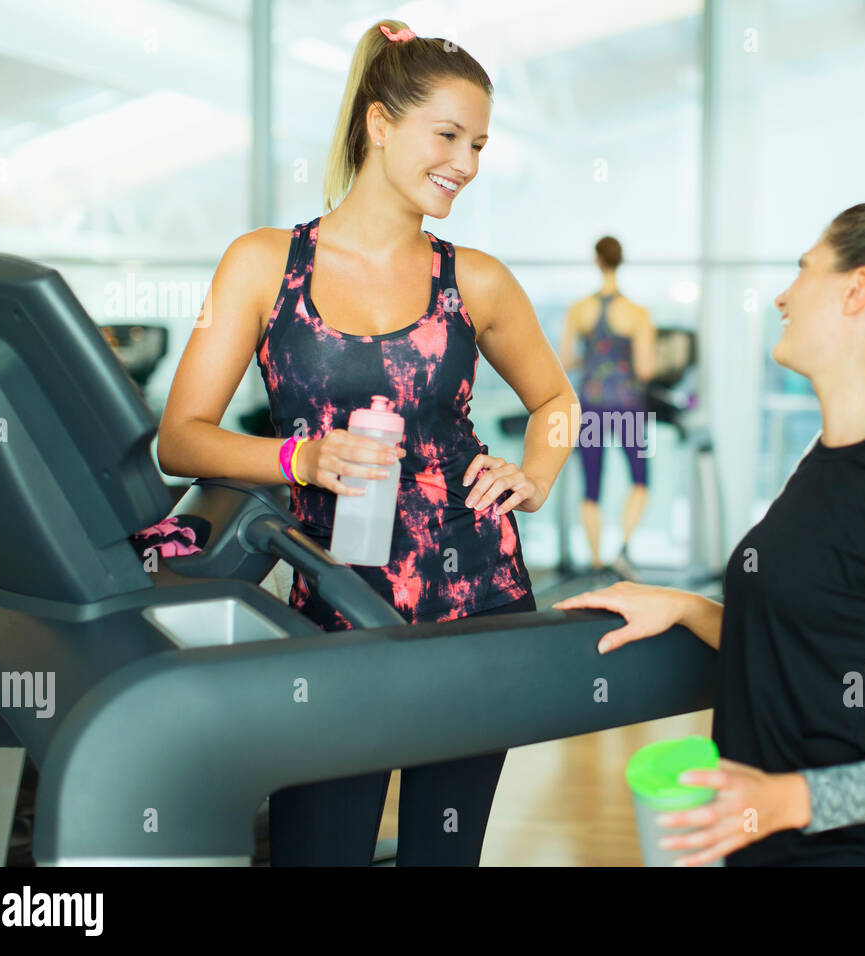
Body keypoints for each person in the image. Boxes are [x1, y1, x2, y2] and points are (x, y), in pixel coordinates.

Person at [155, 20, 577, 866]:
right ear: (380, 124)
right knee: (319, 848)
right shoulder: (265, 264)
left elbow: (558, 402)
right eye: (449, 135)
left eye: (482, 144)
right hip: (333, 606)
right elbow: (180, 439)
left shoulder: (478, 279)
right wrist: (296, 459)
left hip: (477, 602)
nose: (468, 162)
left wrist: (533, 473)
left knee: (441, 855)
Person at [555, 200, 865, 866]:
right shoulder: (828, 464)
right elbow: (807, 645)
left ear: (858, 290)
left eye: (804, 270)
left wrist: (788, 801)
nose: (782, 295)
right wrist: (687, 608)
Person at [559, 236, 657, 576]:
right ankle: (623, 549)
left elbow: (566, 360)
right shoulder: (638, 313)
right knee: (640, 480)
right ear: (621, 260)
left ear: (596, 260)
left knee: (591, 486)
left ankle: (597, 561)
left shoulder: (578, 310)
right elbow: (645, 369)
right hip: (627, 404)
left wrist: (594, 357)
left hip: (591, 403)